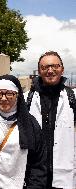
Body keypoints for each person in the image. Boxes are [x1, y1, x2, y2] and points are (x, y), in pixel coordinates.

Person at [25, 51, 76, 188]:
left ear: (62, 69)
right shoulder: (26, 99)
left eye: (55, 66)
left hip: (64, 173)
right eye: (45, 67)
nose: (50, 70)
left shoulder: (72, 98)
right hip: (34, 175)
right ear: (39, 71)